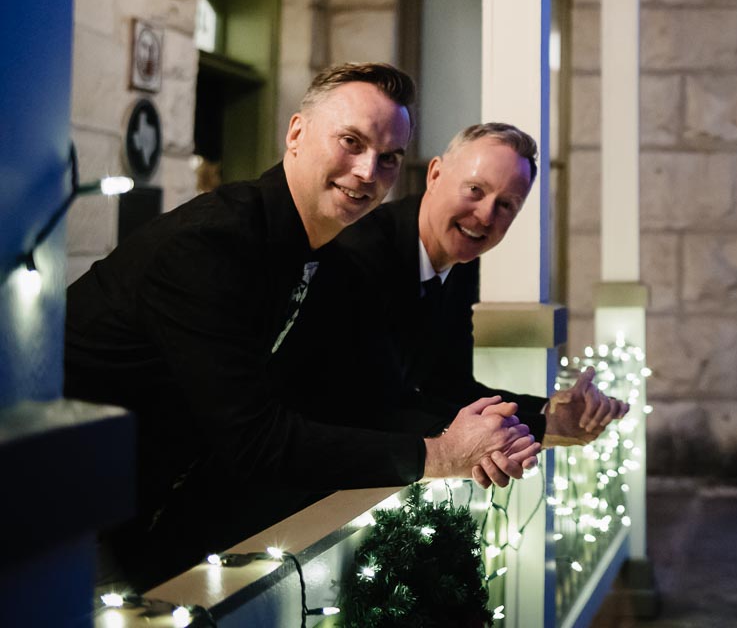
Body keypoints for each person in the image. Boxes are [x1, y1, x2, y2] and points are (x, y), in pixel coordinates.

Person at [65, 64, 540, 586]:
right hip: (59, 499)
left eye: (387, 158)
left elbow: (364, 397)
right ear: (296, 133)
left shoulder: (321, 253)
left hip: (137, 503)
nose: (366, 172)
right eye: (351, 142)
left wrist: (523, 426)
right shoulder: (213, 241)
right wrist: (441, 453)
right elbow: (254, 437)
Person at [333, 122, 628, 479]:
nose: (486, 215)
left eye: (505, 205)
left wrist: (554, 413)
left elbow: (451, 384)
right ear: (436, 174)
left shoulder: (460, 262)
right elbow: (375, 408)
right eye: (475, 189)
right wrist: (525, 431)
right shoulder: (364, 253)